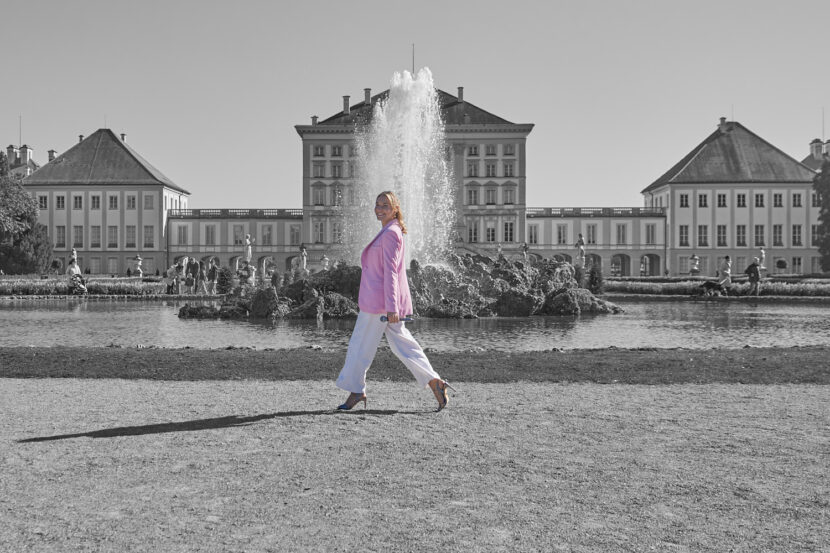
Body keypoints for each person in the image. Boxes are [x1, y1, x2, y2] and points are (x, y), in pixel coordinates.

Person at [335, 191, 454, 411]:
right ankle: (435, 382)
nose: (379, 209)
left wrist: (392, 308)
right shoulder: (390, 231)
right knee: (404, 345)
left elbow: (391, 272)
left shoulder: (391, 233)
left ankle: (357, 390)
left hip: (379, 303)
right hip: (382, 302)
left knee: (359, 346)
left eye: (385, 206)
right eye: (377, 205)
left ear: (395, 209)